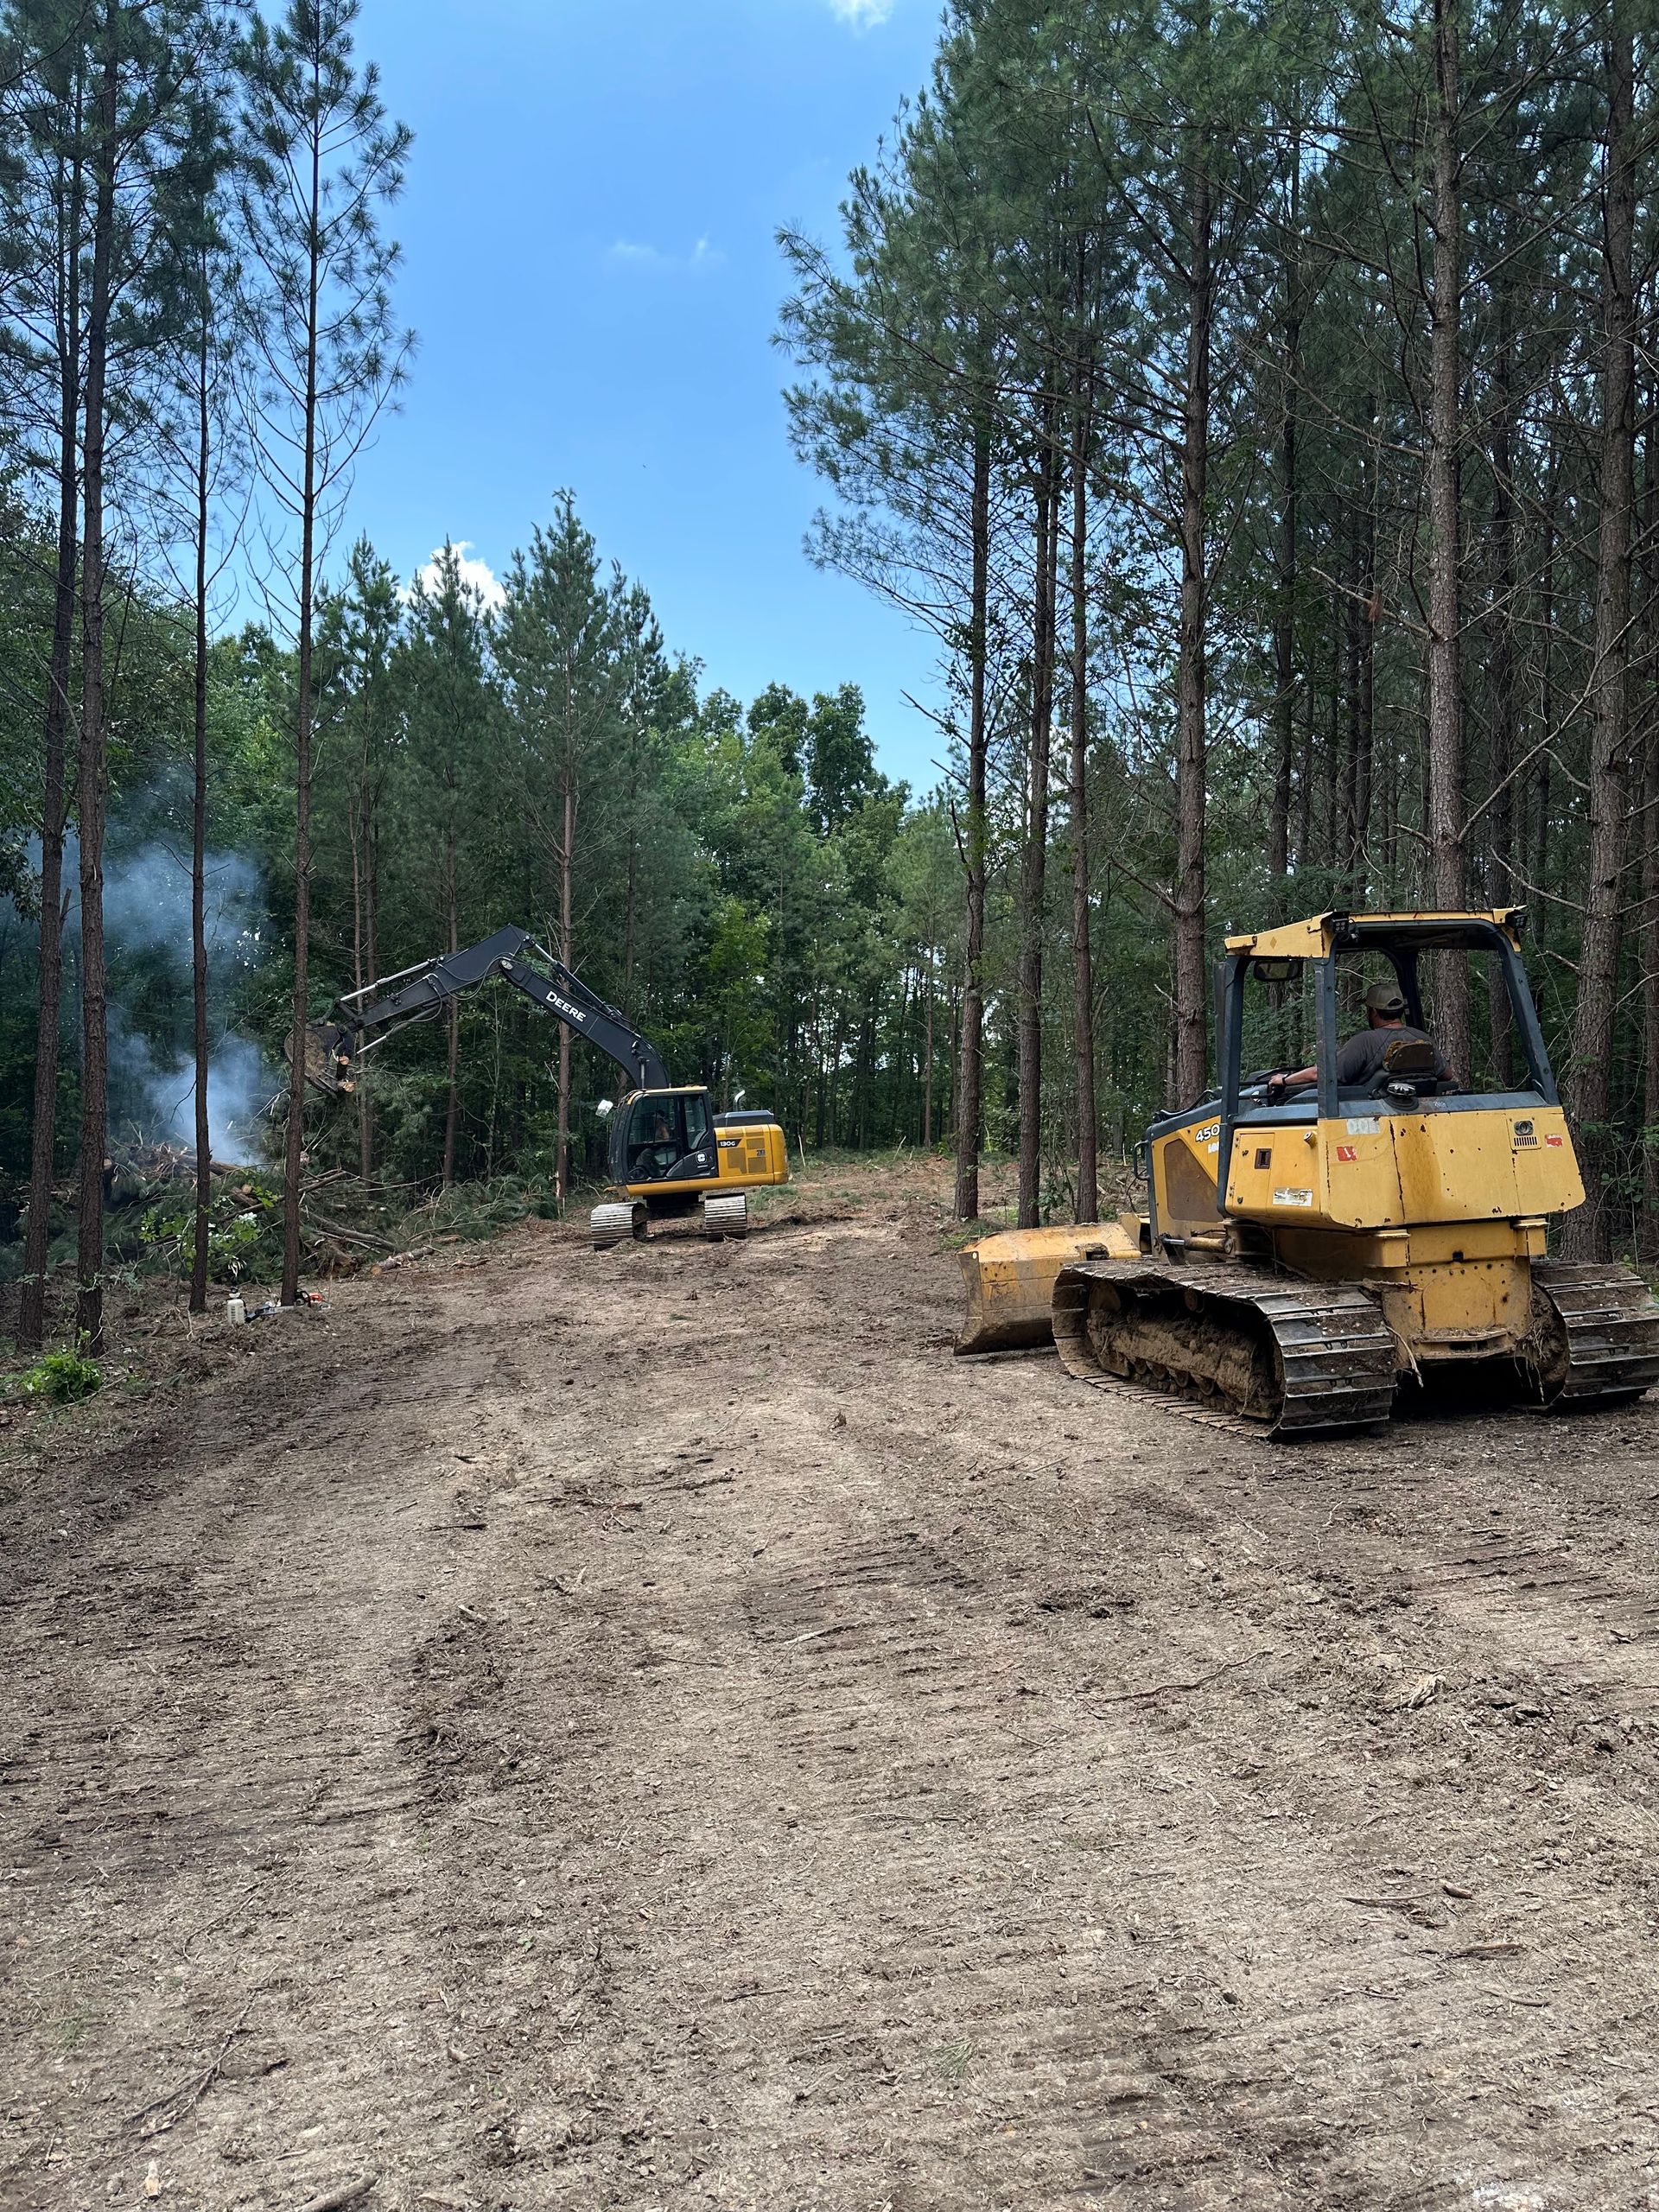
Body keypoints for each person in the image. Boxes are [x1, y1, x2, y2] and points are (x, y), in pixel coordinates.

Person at [1268, 980, 1449, 1098]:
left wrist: (1283, 1080)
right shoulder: (1423, 1039)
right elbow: (1447, 1075)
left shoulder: (1365, 1042)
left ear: (1373, 1012)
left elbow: (1322, 1074)